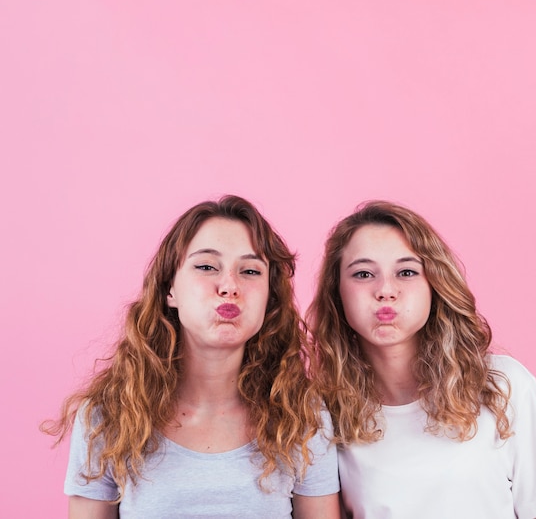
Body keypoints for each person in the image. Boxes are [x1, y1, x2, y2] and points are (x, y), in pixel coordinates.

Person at [43, 195, 340, 519]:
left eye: (251, 271)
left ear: (270, 297)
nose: (229, 286)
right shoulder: (107, 415)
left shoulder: (303, 417)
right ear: (170, 289)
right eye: (206, 267)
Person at [307, 200, 536, 519]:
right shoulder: (322, 412)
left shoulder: (504, 385)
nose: (386, 290)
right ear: (337, 293)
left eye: (406, 272)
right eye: (363, 274)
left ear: (434, 284)